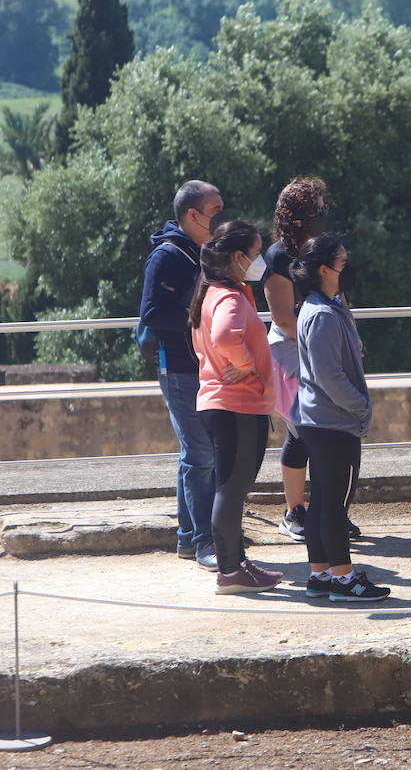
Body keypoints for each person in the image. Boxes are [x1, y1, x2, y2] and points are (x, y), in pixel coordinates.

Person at [291, 233, 392, 602]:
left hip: (319, 421)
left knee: (321, 503)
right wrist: (361, 406)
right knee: (335, 505)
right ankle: (345, 579)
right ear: (323, 269)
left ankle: (320, 575)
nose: (347, 270)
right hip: (333, 423)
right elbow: (328, 376)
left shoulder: (322, 308)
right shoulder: (320, 315)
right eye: (342, 264)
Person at [263, 176, 359, 544]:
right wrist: (323, 341)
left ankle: (329, 510)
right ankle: (295, 512)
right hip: (291, 349)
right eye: (316, 209)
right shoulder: (277, 257)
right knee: (303, 432)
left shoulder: (322, 250)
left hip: (322, 345)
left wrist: (350, 337)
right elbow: (284, 318)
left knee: (332, 429)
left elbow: (338, 297)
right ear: (298, 214)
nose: (322, 214)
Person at [189, 220, 284, 595]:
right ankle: (230, 570)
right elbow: (225, 336)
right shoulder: (228, 297)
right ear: (238, 257)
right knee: (232, 488)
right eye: (257, 253)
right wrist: (247, 366)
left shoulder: (212, 291)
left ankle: (235, 563)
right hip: (236, 406)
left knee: (230, 487)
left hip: (223, 404)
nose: (261, 260)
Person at [139, 180, 223, 572]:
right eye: (214, 212)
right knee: (201, 453)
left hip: (199, 365)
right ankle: (206, 541)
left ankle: (189, 540)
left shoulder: (200, 251)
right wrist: (202, 320)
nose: (220, 219)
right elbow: (153, 314)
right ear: (193, 215)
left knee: (196, 453)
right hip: (179, 367)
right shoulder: (168, 257)